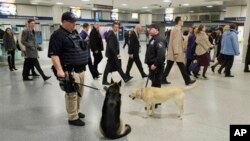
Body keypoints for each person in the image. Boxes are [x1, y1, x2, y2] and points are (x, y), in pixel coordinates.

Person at [48, 12, 89, 126]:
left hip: (81, 70)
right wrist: (59, 70)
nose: (74, 24)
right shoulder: (58, 35)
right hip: (69, 71)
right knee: (71, 94)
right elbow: (54, 54)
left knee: (80, 93)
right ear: (65, 22)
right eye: (72, 22)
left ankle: (76, 111)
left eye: (75, 22)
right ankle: (72, 117)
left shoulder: (75, 33)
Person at [162, 16, 196, 85]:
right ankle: (187, 80)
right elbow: (175, 42)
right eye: (182, 21)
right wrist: (176, 52)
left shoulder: (176, 29)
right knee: (181, 66)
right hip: (176, 52)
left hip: (173, 52)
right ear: (179, 21)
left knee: (169, 66)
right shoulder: (177, 29)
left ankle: (162, 79)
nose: (183, 22)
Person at [145, 23, 166, 88]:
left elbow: (161, 54)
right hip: (152, 67)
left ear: (156, 30)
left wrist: (155, 64)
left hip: (156, 67)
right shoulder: (153, 39)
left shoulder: (159, 39)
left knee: (156, 87)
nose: (149, 30)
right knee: (154, 84)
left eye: (151, 29)